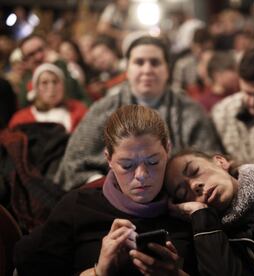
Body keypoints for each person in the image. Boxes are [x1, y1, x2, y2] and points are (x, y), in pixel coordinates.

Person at [15, 105, 198, 276]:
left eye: (153, 162)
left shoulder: (187, 209)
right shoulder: (77, 207)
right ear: (108, 159)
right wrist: (99, 271)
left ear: (168, 149)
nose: (141, 175)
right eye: (127, 166)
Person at [54, 35, 222, 191]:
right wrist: (108, 186)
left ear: (167, 69)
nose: (147, 70)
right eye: (139, 62)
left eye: (155, 62)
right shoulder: (103, 110)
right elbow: (73, 165)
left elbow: (210, 161)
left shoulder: (191, 111)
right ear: (127, 68)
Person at [9, 63, 87, 133]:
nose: (51, 87)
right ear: (36, 88)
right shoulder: (21, 120)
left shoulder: (78, 110)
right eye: (44, 83)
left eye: (55, 82)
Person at [18, 34, 91, 107]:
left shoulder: (63, 67)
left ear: (48, 48)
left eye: (40, 49)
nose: (38, 56)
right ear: (25, 60)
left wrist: (60, 64)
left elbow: (81, 97)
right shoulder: (25, 85)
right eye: (31, 54)